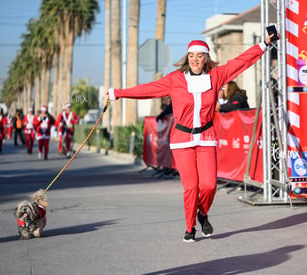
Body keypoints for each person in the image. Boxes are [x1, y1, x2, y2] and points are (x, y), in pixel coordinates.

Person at [106, 33, 277, 242]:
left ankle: (202, 213)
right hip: (182, 140)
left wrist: (264, 44)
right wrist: (118, 93)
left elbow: (241, 62)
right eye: (192, 56)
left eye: (200, 56)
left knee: (209, 185)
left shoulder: (216, 76)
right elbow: (148, 89)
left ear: (206, 58)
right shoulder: (175, 80)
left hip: (206, 137)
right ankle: (189, 227)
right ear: (187, 58)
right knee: (191, 187)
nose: (195, 60)